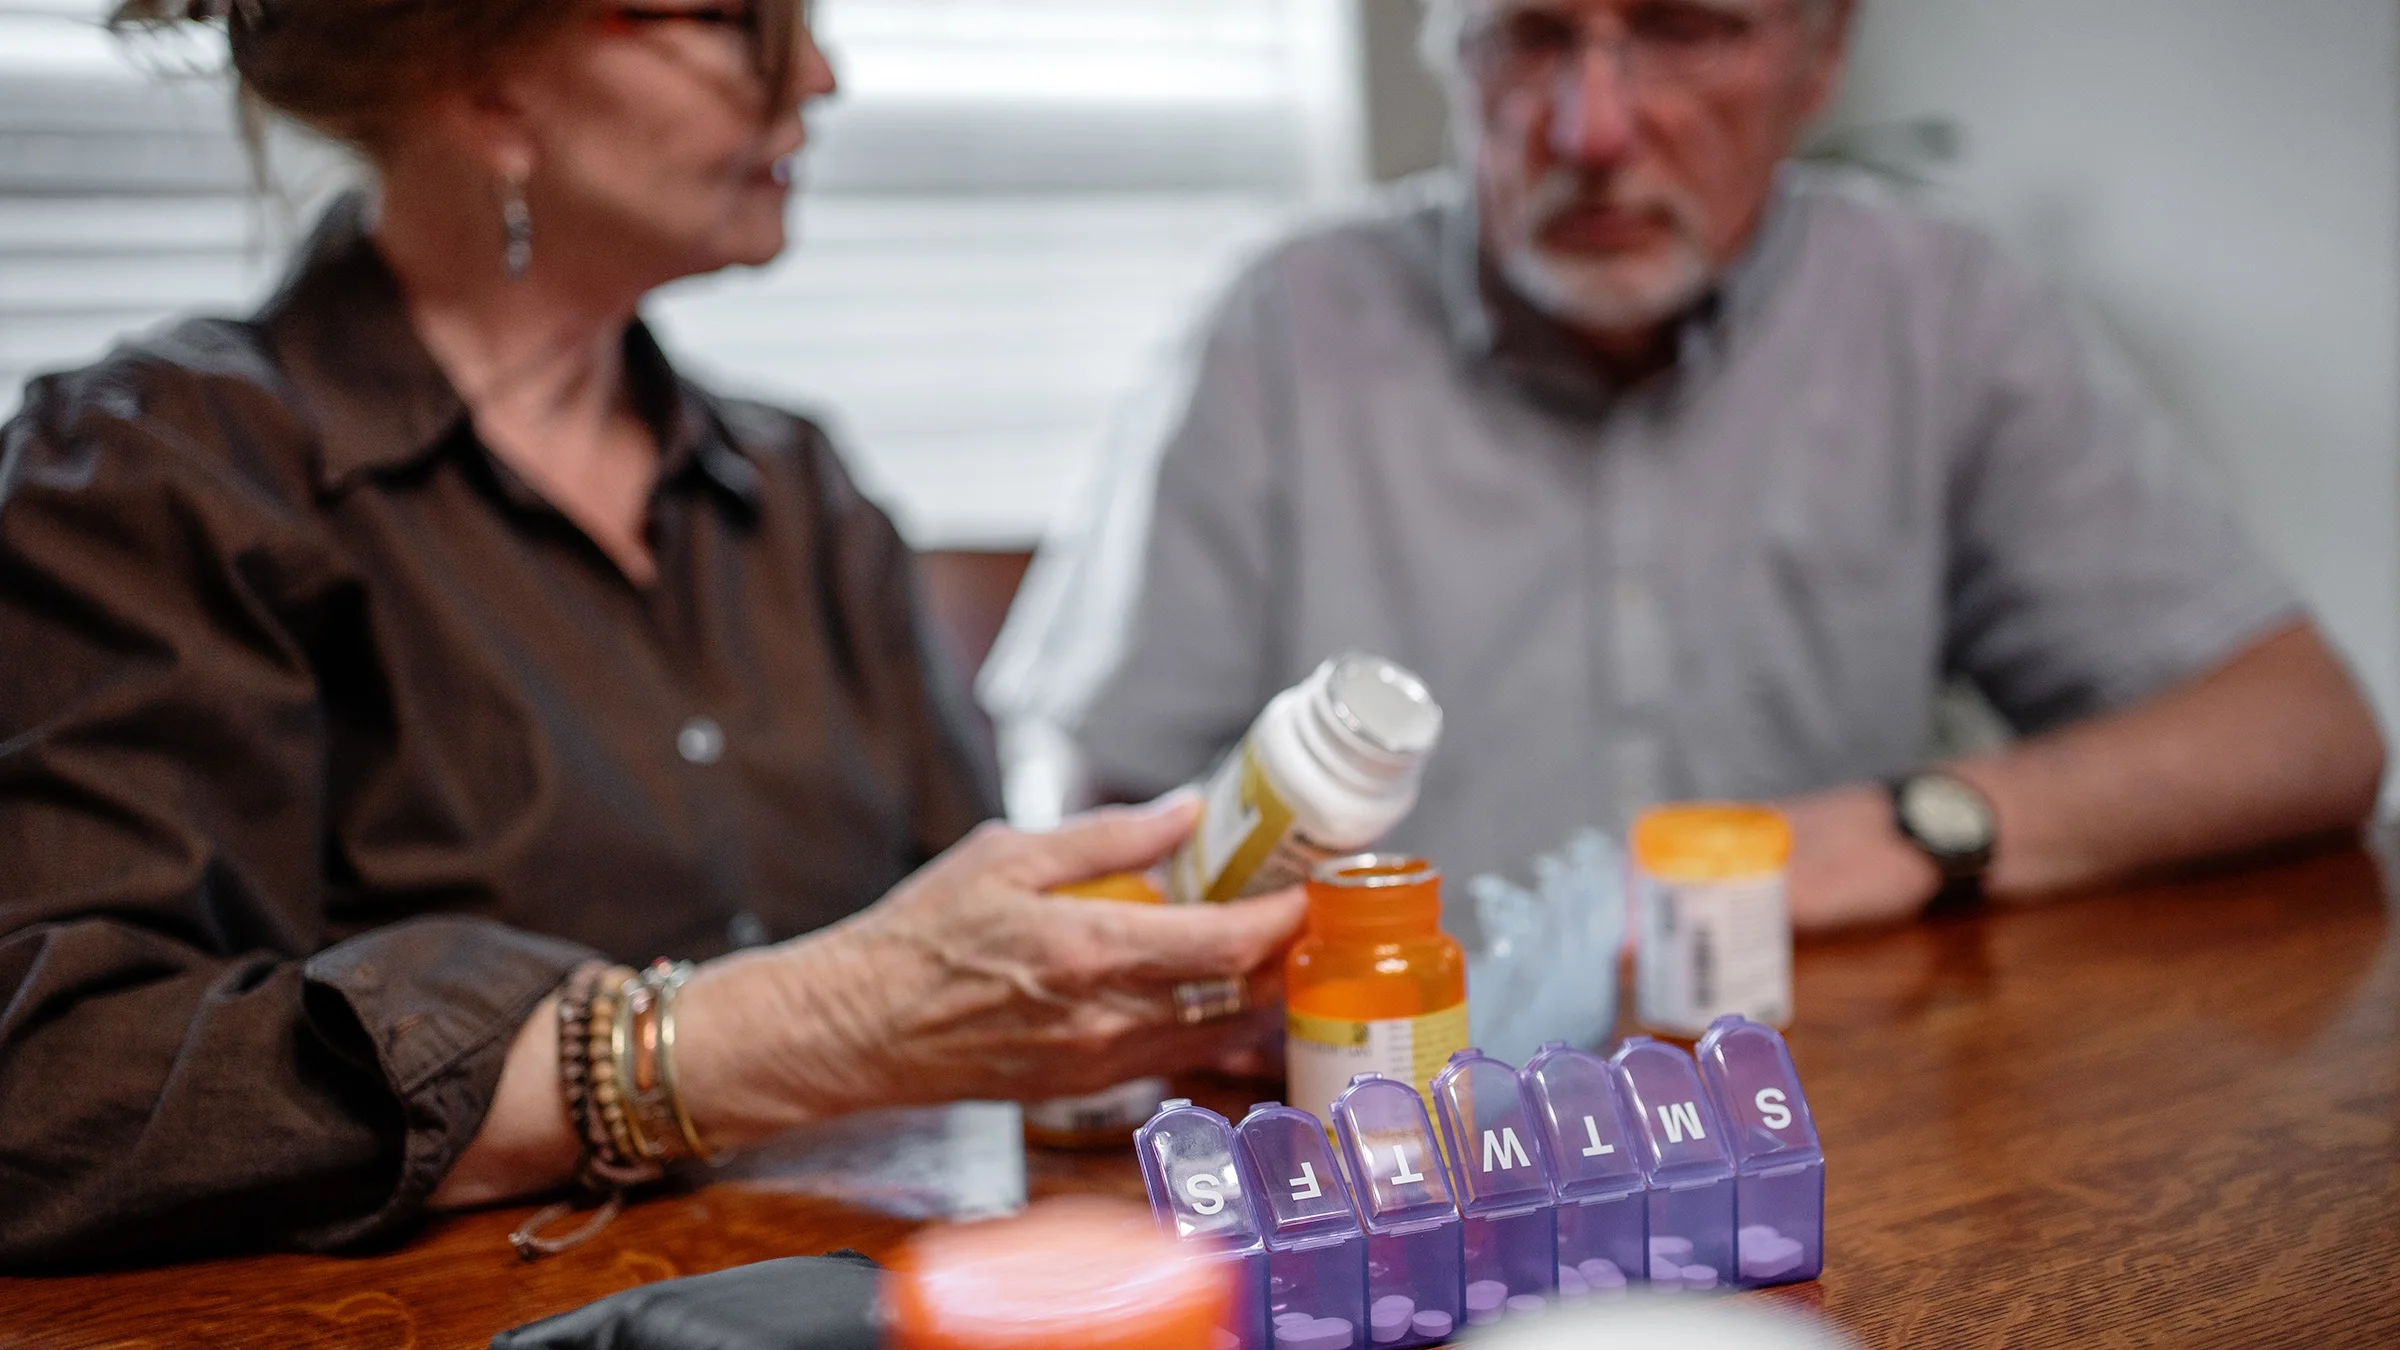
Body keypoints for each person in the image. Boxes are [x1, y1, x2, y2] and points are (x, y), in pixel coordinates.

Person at [0, 0, 1299, 1268]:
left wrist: (1156, 982)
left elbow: (959, 974)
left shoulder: (802, 494)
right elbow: (53, 1088)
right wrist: (729, 1043)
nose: (818, 80)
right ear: (487, 82)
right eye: (729, 18)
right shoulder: (154, 479)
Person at [981, 0, 2386, 931]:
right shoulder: (1275, 332)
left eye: (1685, 28)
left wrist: (1899, 828)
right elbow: (1082, 822)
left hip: (1836, 1118)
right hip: (1391, 1115)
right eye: (1532, 35)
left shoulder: (1945, 311)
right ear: (1450, 57)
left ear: (1819, 59)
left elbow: (2306, 731)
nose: (1594, 129)